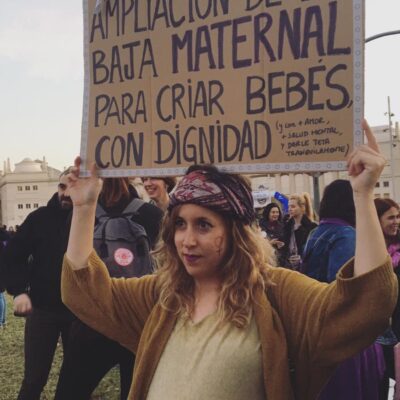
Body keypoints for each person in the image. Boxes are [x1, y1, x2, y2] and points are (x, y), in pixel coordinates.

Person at [61, 120, 397, 400]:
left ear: (236, 233)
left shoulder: (276, 294)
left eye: (203, 225)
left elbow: (363, 306)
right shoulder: (162, 296)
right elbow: (85, 294)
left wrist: (363, 194)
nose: (187, 240)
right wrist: (85, 207)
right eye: (180, 224)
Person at [55, 177, 163, 400]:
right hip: (138, 315)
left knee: (70, 391)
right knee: (134, 391)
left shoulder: (82, 214)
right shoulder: (151, 214)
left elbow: (69, 265)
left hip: (93, 317)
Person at [302, 180, 385, 399]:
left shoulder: (315, 233)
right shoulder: (347, 234)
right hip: (345, 331)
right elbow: (345, 288)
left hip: (317, 326)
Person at [0, 169, 74, 400]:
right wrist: (19, 291)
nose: (66, 193)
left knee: (78, 381)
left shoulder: (93, 219)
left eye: (72, 188)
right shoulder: (39, 218)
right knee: (34, 379)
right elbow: (12, 256)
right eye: (62, 186)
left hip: (80, 313)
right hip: (43, 308)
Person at [374, 198, 400, 399]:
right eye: (391, 217)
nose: (396, 221)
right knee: (379, 383)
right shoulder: (369, 252)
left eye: (398, 216)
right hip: (375, 331)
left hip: (397, 327)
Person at [282, 192, 317, 269]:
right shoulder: (287, 226)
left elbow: (315, 251)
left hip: (306, 268)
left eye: (293, 206)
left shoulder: (312, 227)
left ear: (302, 208)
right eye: (289, 206)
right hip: (289, 267)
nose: (290, 209)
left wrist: (301, 259)